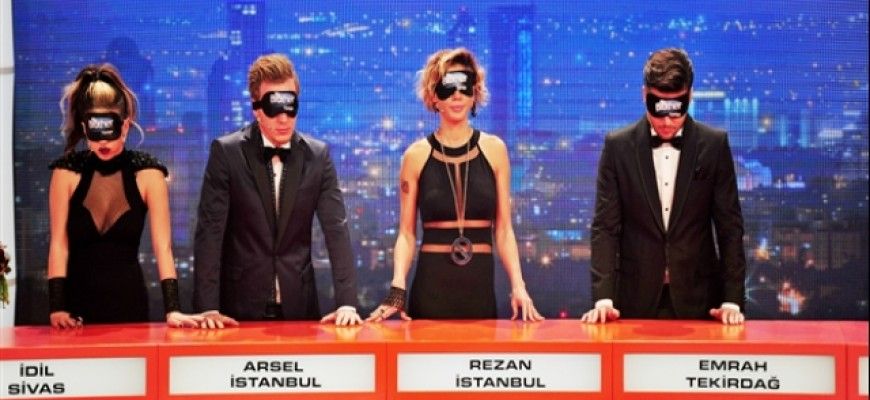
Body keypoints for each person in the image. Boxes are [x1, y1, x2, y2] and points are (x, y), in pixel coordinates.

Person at [367, 48, 544, 321]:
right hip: (431, 288)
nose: (457, 95)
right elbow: (406, 234)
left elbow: (504, 230)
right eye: (448, 87)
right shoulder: (415, 156)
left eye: (464, 85)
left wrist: (518, 286)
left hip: (479, 289)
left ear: (475, 92)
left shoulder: (495, 150)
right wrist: (397, 288)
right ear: (434, 96)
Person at [581, 48, 747, 325]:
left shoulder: (714, 146)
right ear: (644, 95)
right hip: (632, 300)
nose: (668, 122)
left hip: (701, 300)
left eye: (676, 110)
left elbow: (729, 227)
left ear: (689, 96)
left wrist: (732, 299)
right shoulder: (618, 147)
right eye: (659, 110)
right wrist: (603, 298)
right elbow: (605, 228)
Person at [194, 53, 361, 327]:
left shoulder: (318, 156)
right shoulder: (227, 153)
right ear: (256, 108)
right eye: (274, 108)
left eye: (290, 107)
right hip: (237, 309)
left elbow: (336, 230)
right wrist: (207, 308)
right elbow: (210, 233)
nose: (283, 119)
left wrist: (346, 302)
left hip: (300, 306)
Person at [47, 64, 207, 328]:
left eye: (109, 131)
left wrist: (173, 310)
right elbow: (58, 245)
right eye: (95, 132)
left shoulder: (149, 174)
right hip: (75, 310)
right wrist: (57, 308)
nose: (103, 142)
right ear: (85, 128)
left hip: (129, 304)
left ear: (125, 126)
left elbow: (163, 248)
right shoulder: (66, 173)